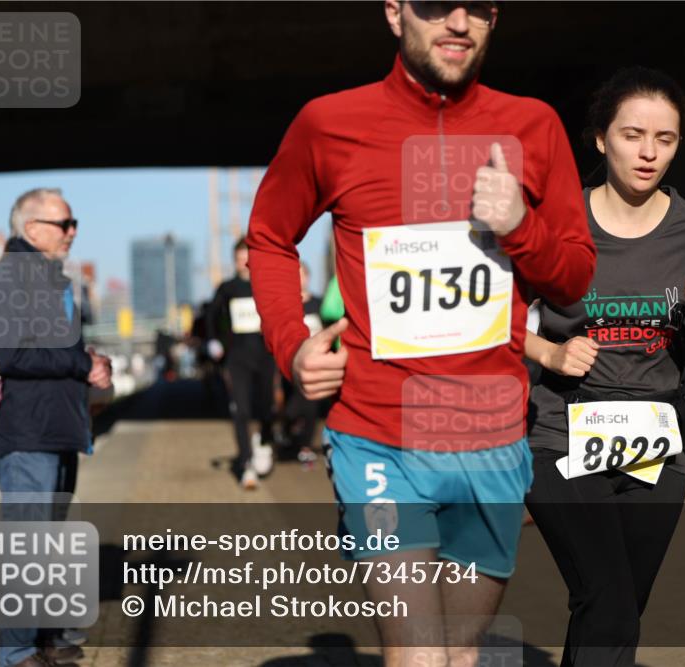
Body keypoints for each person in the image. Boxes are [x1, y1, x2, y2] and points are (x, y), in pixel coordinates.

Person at [246, 1, 595, 664]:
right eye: (437, 6)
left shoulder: (534, 125)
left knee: (462, 655)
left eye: (479, 9)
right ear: (395, 12)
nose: (458, 23)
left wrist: (521, 224)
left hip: (491, 437)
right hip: (378, 436)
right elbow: (269, 236)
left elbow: (574, 278)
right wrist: (291, 343)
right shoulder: (329, 123)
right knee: (420, 657)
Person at [523, 67, 685, 666]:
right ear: (601, 139)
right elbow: (487, 317)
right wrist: (549, 352)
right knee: (607, 597)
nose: (649, 152)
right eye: (633, 135)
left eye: (666, 139)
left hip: (658, 444)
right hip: (559, 434)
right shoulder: (555, 226)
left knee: (617, 608)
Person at [0, 188, 112, 667]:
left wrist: (93, 364)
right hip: (26, 433)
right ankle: (16, 654)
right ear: (32, 227)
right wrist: (80, 363)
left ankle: (47, 638)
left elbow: (55, 352)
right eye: (65, 223)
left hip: (57, 429)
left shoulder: (48, 278)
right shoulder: (9, 278)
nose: (73, 231)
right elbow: (11, 353)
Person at [206, 236, 276, 489]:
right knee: (241, 410)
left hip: (266, 356)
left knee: (266, 408)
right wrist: (213, 341)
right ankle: (246, 464)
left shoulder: (266, 286)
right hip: (238, 358)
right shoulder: (228, 288)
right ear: (233, 261)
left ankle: (264, 442)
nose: (243, 262)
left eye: (247, 256)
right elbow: (210, 315)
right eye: (238, 258)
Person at [278, 262, 323, 465]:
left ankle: (305, 446)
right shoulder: (287, 306)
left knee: (311, 406)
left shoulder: (319, 305)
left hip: (316, 365)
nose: (298, 280)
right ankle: (286, 429)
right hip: (291, 364)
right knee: (291, 408)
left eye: (301, 275)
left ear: (308, 277)